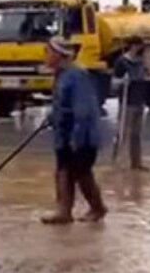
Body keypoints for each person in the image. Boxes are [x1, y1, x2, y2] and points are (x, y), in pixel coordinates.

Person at [41, 38, 106, 224]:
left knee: (80, 173)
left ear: (59, 55)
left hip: (80, 135)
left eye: (48, 52)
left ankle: (96, 208)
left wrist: (76, 138)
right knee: (64, 171)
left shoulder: (76, 76)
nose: (45, 56)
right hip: (65, 134)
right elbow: (62, 104)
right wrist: (52, 118)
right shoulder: (62, 75)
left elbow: (83, 110)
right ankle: (65, 211)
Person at [113, 36, 150, 172]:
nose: (140, 48)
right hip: (127, 102)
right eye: (138, 46)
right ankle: (116, 160)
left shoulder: (140, 62)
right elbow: (114, 82)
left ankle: (136, 162)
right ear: (133, 45)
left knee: (136, 134)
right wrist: (123, 81)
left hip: (139, 101)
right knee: (122, 132)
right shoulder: (122, 62)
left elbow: (146, 76)